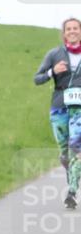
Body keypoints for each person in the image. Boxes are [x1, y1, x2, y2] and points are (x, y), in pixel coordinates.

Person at [33, 16, 81, 210]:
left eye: (76, 28)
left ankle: (72, 192)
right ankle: (72, 177)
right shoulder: (54, 54)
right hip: (59, 106)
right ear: (64, 33)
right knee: (64, 153)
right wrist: (53, 71)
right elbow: (37, 79)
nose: (72, 31)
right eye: (69, 29)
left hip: (79, 109)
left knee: (76, 148)